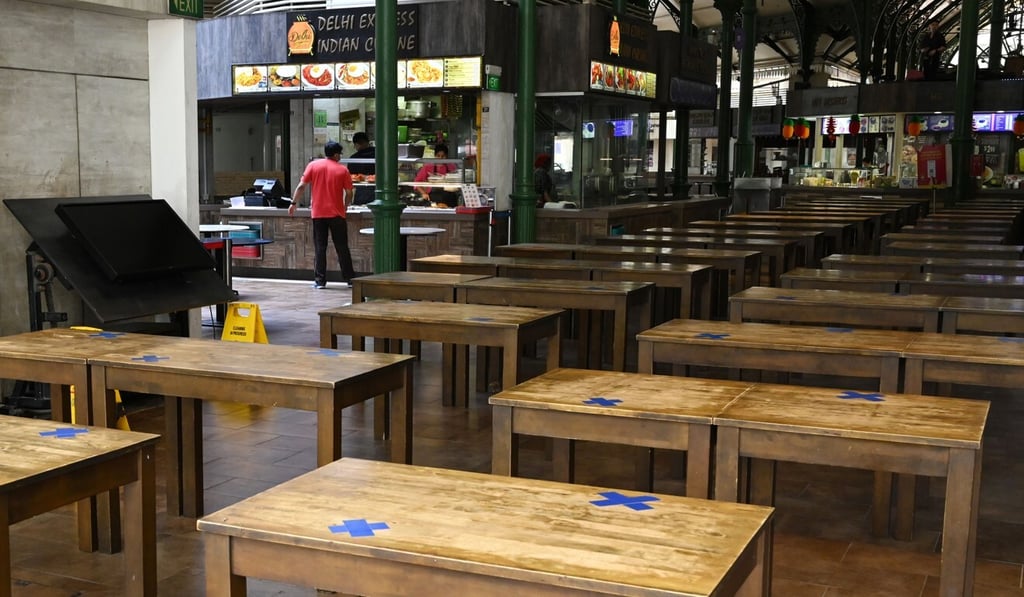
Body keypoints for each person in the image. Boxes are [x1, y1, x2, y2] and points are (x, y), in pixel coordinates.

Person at [288, 141, 356, 289]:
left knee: (320, 247)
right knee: (342, 247)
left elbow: (301, 186)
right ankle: (350, 278)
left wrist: (293, 203)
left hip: (318, 213)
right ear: (336, 154)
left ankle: (320, 281)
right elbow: (349, 192)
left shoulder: (313, 165)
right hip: (337, 214)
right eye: (340, 154)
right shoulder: (342, 170)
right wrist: (346, 205)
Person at [348, 132, 375, 205]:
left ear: (357, 144)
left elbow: (351, 177)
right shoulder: (379, 153)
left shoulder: (354, 158)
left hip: (361, 192)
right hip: (378, 190)